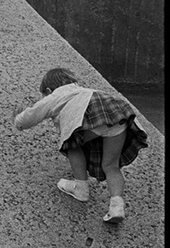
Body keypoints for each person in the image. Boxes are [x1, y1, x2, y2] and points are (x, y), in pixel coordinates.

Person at [13, 67, 149, 224]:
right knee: (111, 166)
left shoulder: (56, 95)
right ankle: (117, 206)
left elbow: (31, 115)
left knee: (72, 144)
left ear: (49, 90)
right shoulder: (85, 90)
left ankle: (81, 188)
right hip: (117, 114)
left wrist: (18, 118)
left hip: (90, 113)